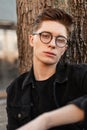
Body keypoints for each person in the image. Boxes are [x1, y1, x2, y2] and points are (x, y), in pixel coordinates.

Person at [6, 8, 87, 130]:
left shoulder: (80, 76)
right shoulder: (15, 90)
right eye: (45, 36)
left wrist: (46, 120)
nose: (53, 44)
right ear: (32, 40)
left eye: (60, 39)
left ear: (64, 48)